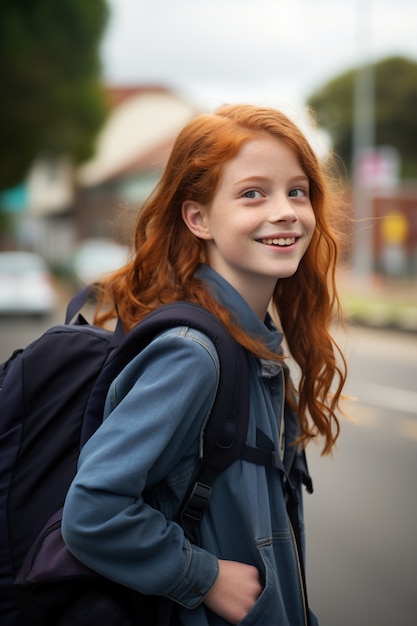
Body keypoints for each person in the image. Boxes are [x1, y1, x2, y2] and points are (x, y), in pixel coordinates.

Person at [62, 103, 347, 626]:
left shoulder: (251, 344)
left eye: (297, 190)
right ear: (198, 218)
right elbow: (91, 511)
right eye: (252, 193)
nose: (284, 210)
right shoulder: (193, 354)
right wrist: (204, 576)